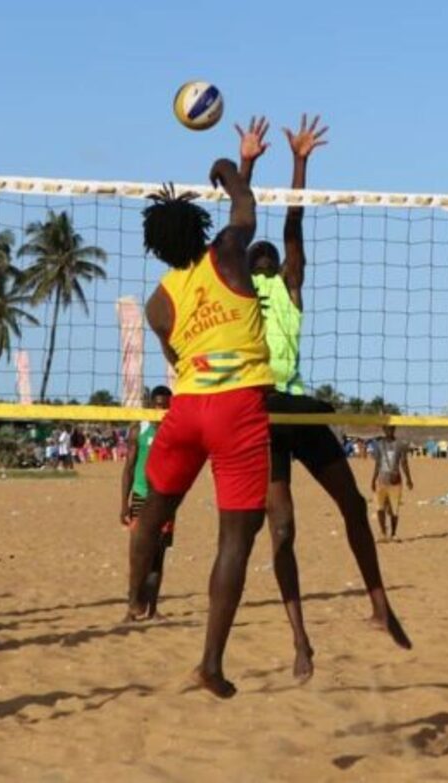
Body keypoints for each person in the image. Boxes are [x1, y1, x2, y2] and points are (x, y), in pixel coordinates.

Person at [237, 114, 411, 680]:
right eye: (256, 254)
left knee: (353, 505)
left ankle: (379, 604)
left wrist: (300, 162)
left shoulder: (290, 286)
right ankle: (300, 640)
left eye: (270, 254)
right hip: (260, 413)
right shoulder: (237, 288)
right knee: (281, 529)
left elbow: (292, 224)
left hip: (299, 405)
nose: (265, 255)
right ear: (245, 266)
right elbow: (241, 224)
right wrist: (245, 166)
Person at [127, 158, 273, 699]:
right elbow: (247, 207)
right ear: (201, 228)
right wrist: (229, 169)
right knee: (235, 539)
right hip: (238, 410)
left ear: (156, 246)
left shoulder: (157, 303)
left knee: (152, 511)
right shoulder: (228, 254)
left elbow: (176, 356)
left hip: (187, 408)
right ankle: (210, 663)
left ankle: (136, 595)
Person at [120, 386, 175, 619]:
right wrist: (124, 503)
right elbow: (128, 469)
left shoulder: (175, 429)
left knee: (158, 556)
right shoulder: (138, 429)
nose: (161, 409)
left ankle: (152, 609)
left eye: (165, 405)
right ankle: (132, 608)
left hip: (165, 498)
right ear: (151, 404)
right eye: (158, 404)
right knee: (138, 555)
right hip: (141, 497)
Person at [371, 425, 413, 541]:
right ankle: (383, 533)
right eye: (387, 429)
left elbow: (404, 463)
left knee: (394, 509)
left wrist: (409, 479)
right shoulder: (379, 445)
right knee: (380, 508)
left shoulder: (400, 445)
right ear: (383, 430)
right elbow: (378, 464)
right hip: (381, 480)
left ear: (394, 429)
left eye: (391, 429)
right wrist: (373, 479)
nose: (389, 431)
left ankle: (393, 534)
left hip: (395, 481)